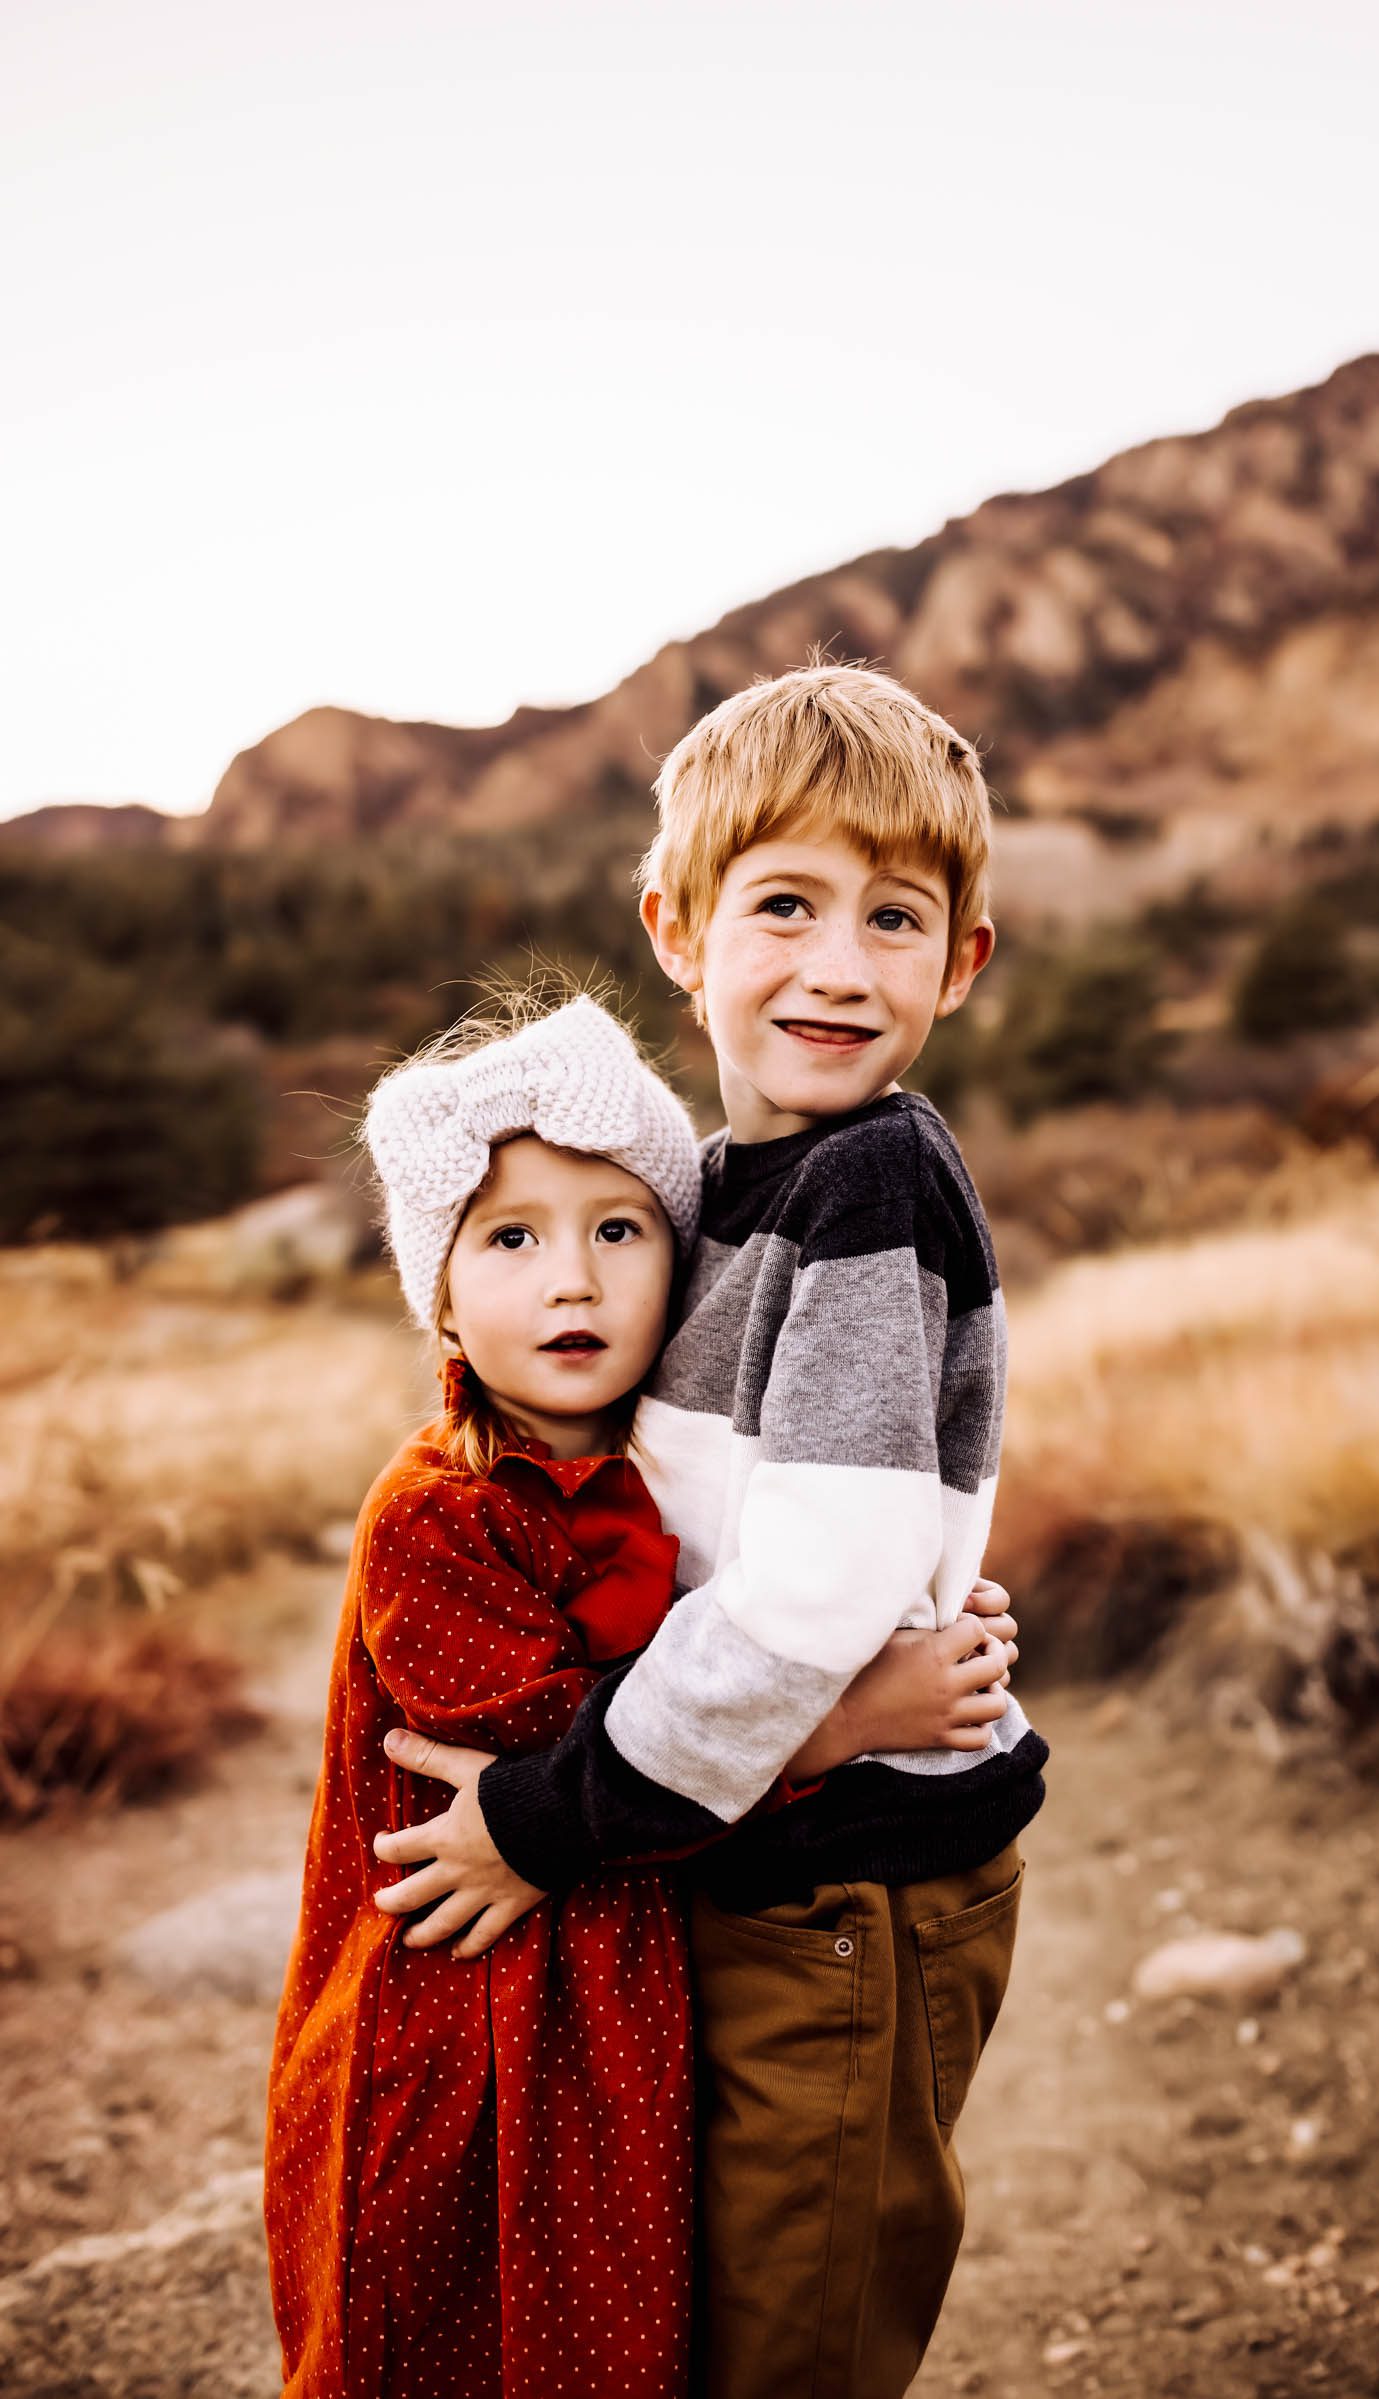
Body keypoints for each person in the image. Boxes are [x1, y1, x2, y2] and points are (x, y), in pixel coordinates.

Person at [373, 666, 1048, 2399]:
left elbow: (814, 1588)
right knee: (712, 2304)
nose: (837, 964)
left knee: (791, 2331)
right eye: (786, 906)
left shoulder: (869, 1184)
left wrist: (545, 1816)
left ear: (960, 961)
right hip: (763, 1848)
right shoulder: (715, 1197)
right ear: (677, 927)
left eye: (894, 918)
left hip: (856, 1884)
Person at [265, 989, 1015, 2399]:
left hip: (608, 2011)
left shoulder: (653, 1470)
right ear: (439, 1286)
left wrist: (893, 1601)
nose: (573, 1281)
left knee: (623, 2333)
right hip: (476, 2023)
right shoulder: (443, 1514)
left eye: (620, 1232)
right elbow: (578, 1766)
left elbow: (763, 1593)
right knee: (461, 2331)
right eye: (511, 1239)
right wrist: (851, 1715)